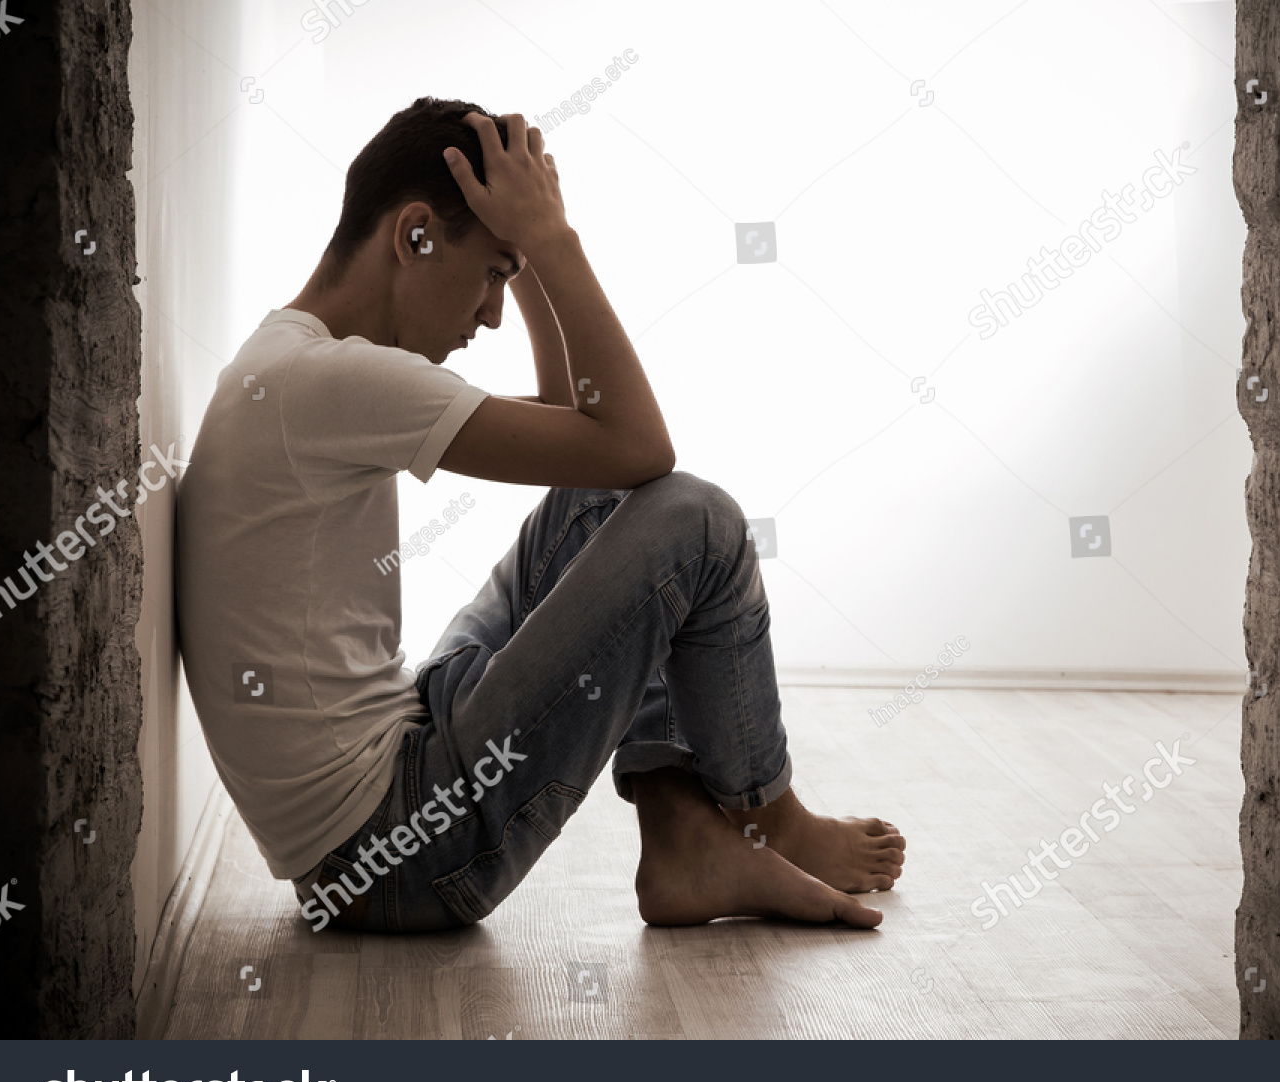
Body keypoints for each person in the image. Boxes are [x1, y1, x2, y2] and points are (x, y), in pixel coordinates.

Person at [176, 97, 905, 935]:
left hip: (392, 794)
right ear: (416, 235)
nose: (492, 313)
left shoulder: (293, 361)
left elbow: (576, 429)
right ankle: (768, 818)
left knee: (594, 501)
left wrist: (520, 248)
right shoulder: (332, 381)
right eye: (491, 274)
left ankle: (680, 835)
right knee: (696, 519)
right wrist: (555, 243)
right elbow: (638, 445)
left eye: (507, 280)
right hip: (398, 853)